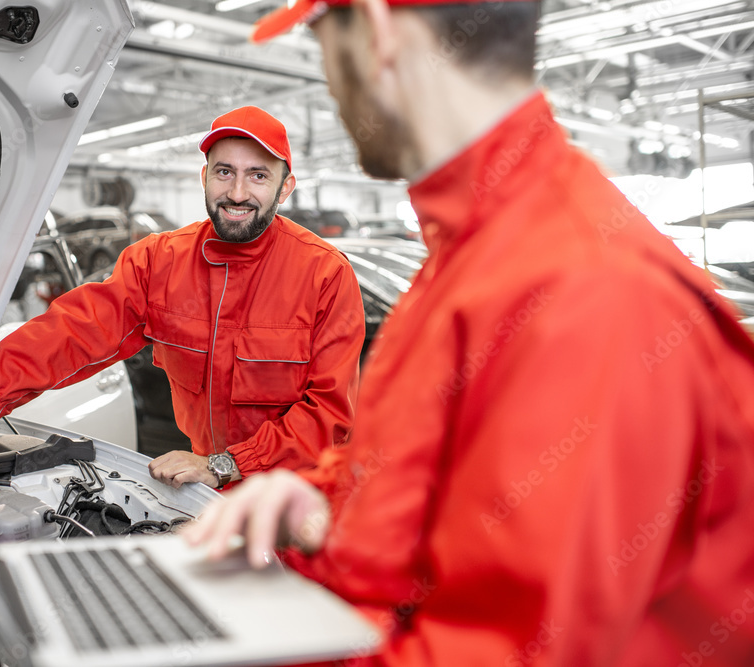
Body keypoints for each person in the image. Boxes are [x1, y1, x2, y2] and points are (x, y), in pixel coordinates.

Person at [185, 0, 754, 664]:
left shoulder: (579, 287)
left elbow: (511, 648)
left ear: (375, 29)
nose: (333, 88)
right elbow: (422, 482)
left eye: (324, 45)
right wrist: (313, 505)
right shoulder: (478, 246)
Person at [0, 106, 365, 489]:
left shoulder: (325, 273)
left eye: (258, 176)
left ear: (285, 187)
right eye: (224, 171)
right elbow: (69, 333)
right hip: (208, 487)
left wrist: (226, 464)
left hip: (302, 494)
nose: (237, 193)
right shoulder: (159, 261)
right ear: (205, 177)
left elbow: (328, 415)